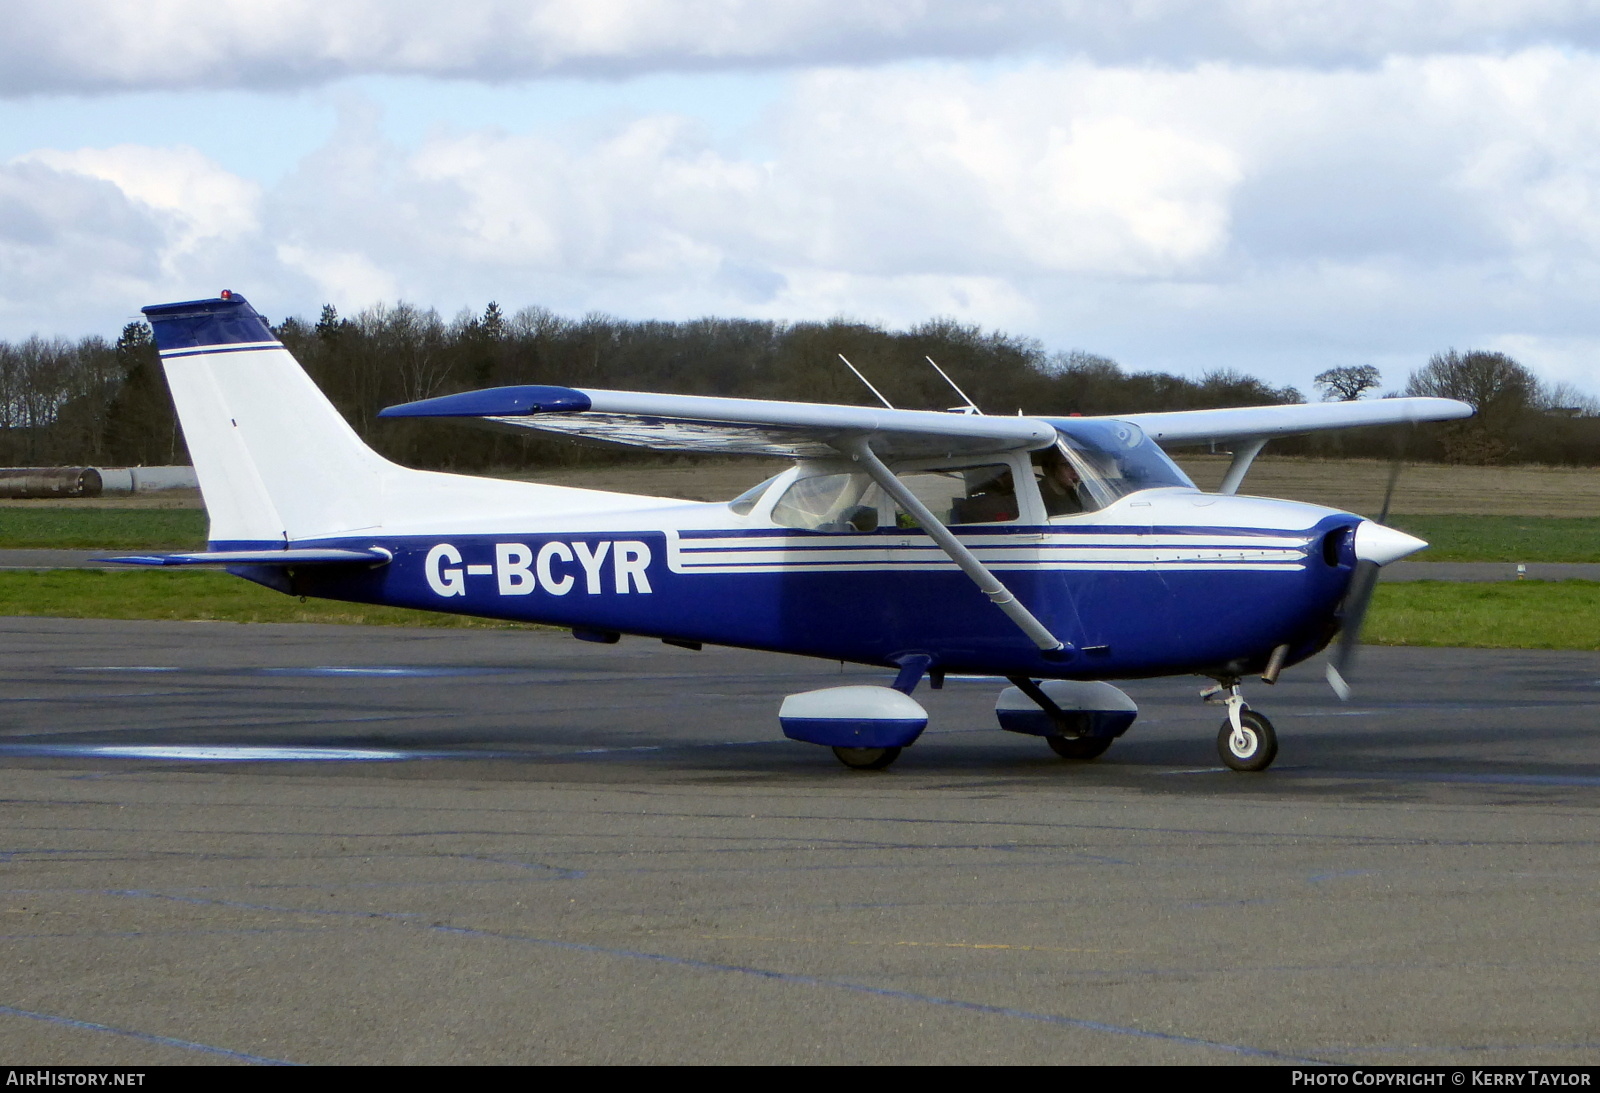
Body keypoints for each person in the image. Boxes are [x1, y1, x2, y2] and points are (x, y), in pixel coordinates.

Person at [1036, 448, 1085, 516]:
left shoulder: (1072, 492)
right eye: (1067, 465)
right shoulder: (1037, 495)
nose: (1075, 471)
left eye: (1077, 465)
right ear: (1051, 468)